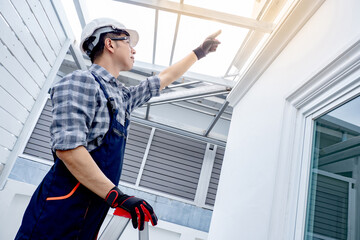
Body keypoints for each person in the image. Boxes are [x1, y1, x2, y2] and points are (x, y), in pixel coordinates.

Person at [15, 17, 221, 239]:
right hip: (57, 213)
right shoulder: (80, 81)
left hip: (89, 215)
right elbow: (69, 150)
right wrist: (117, 197)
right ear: (110, 44)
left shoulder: (121, 97)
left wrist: (198, 52)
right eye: (128, 42)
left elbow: (163, 79)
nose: (134, 50)